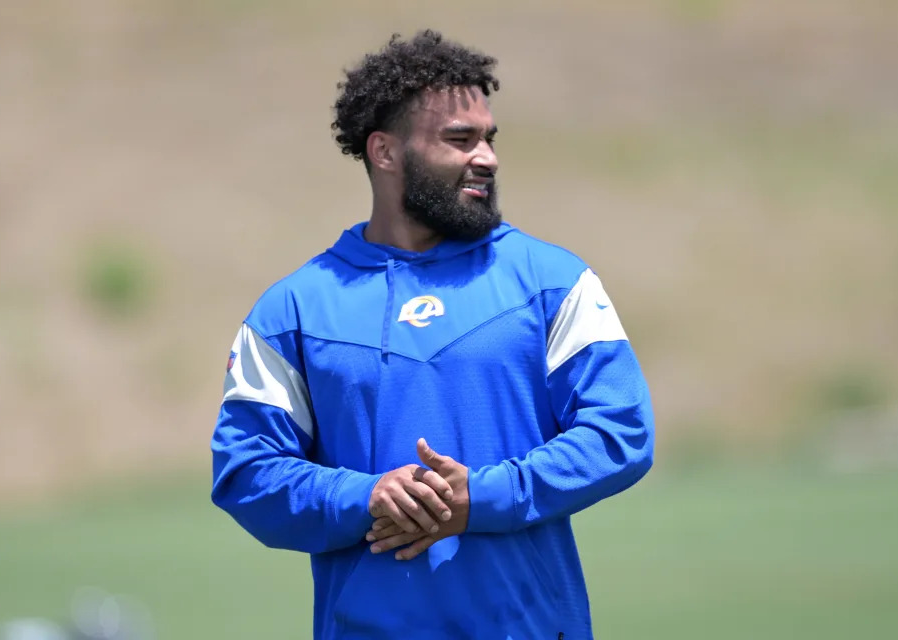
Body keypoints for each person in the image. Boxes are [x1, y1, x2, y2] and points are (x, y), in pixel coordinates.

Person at [210, 29, 654, 639]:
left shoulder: (552, 280)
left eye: (489, 138)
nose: (487, 157)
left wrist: (485, 497)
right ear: (385, 152)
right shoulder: (294, 309)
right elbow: (245, 473)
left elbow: (621, 432)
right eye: (460, 139)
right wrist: (364, 498)